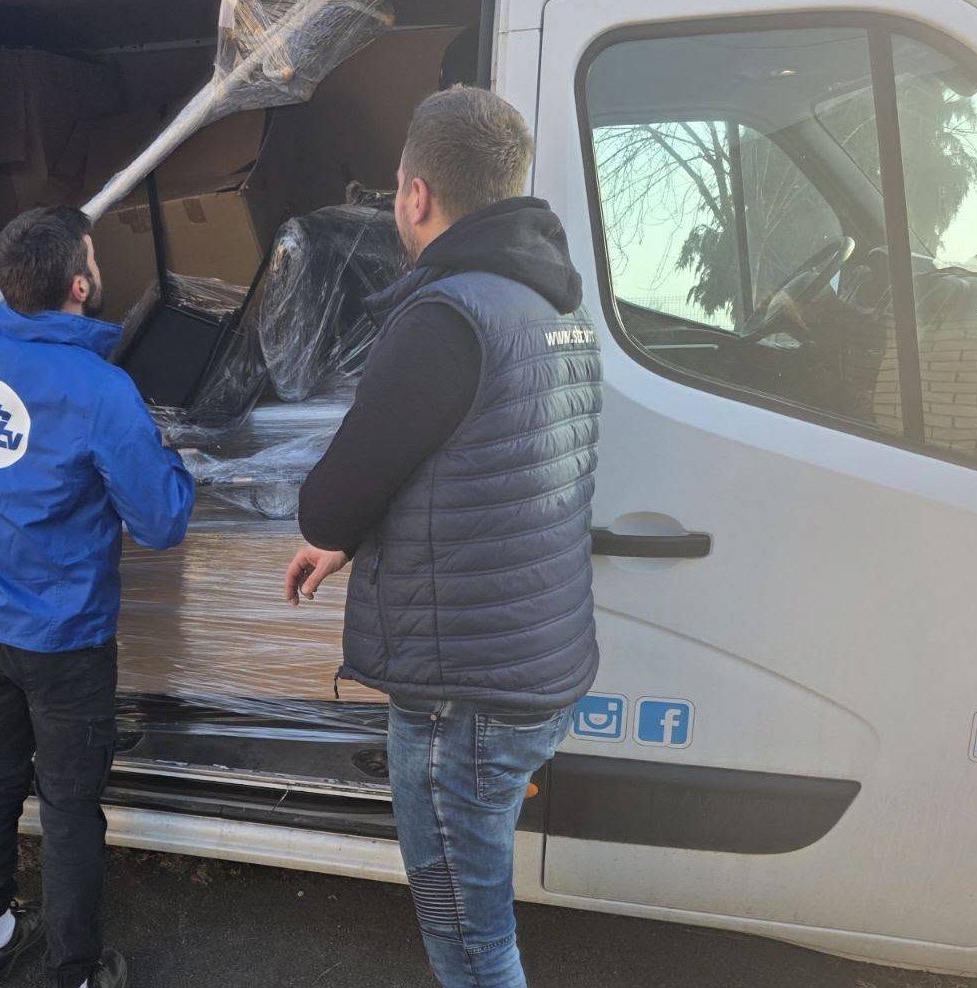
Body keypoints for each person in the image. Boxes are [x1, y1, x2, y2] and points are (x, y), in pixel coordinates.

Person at [283, 86, 602, 988]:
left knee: (470, 941)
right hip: (533, 663)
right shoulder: (555, 306)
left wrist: (335, 529)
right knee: (479, 915)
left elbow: (328, 501)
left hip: (461, 697)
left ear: (416, 194)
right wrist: (351, 538)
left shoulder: (445, 317)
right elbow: (477, 465)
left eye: (395, 187)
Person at [0, 205, 193, 988]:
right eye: (93, 260)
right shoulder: (101, 392)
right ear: (78, 285)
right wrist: (169, 456)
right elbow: (161, 521)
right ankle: (74, 971)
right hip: (67, 641)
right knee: (68, 807)